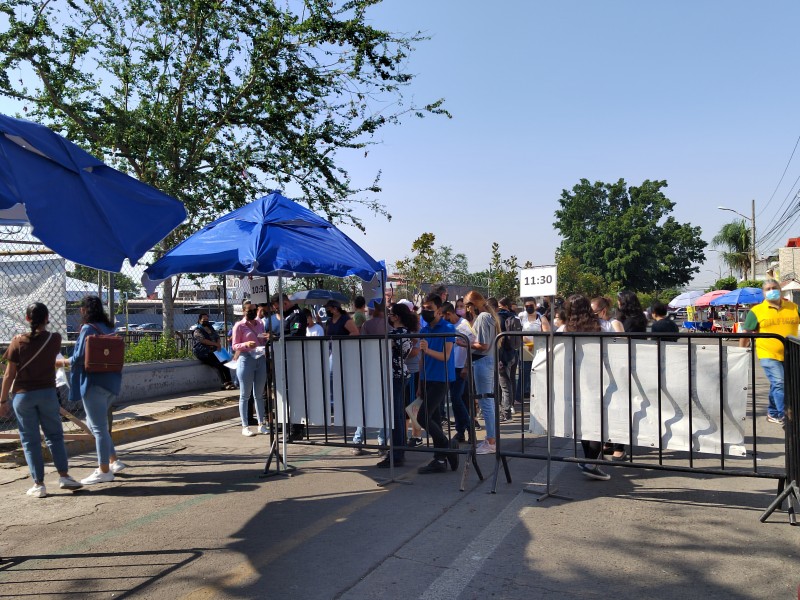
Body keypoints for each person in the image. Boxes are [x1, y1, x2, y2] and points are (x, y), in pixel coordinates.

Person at [0, 303, 83, 497]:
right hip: (47, 394)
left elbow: (9, 375)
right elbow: (48, 357)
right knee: (54, 436)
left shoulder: (17, 342)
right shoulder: (54, 339)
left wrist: (2, 401)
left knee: (30, 441)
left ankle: (39, 485)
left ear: (27, 319)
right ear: (47, 318)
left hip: (23, 396)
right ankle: (64, 476)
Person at [70, 295, 127, 485]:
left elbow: (78, 357)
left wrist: (60, 361)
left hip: (93, 383)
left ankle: (103, 471)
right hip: (112, 382)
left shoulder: (87, 328)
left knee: (98, 429)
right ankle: (114, 461)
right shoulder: (110, 328)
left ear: (84, 310)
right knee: (100, 426)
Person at [562, 294, 611, 481]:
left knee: (583, 420)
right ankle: (591, 463)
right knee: (600, 421)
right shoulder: (603, 327)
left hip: (574, 380)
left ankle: (589, 461)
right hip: (599, 378)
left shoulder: (563, 329)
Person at [740, 279, 800, 425]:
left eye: (774, 287)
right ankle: (784, 415)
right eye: (768, 289)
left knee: (777, 384)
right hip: (768, 354)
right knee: (780, 382)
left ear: (780, 289)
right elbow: (746, 333)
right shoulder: (756, 311)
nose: (772, 290)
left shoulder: (794, 307)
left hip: (791, 354)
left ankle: (772, 412)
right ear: (763, 293)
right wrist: (740, 353)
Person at [416, 294, 458, 474]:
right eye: (423, 308)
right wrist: (419, 382)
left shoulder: (448, 328)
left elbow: (446, 356)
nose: (425, 311)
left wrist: (428, 349)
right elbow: (421, 359)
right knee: (432, 419)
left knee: (423, 417)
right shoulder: (424, 330)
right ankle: (440, 458)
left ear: (439, 311)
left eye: (429, 308)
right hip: (426, 378)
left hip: (442, 379)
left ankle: (447, 447)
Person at [376, 304, 417, 468]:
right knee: (398, 415)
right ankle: (398, 451)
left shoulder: (396, 334)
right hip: (400, 374)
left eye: (391, 314)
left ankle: (397, 453)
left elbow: (400, 352)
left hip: (395, 375)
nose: (389, 317)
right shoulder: (405, 333)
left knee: (396, 416)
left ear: (397, 317)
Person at [464, 290, 499, 455]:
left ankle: (491, 441)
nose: (467, 310)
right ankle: (491, 439)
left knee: (486, 402)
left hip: (483, 361)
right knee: (487, 401)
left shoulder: (484, 317)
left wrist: (463, 343)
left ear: (473, 304)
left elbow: (483, 345)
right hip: (485, 361)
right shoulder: (486, 317)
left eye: (467, 306)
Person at [352, 300, 387, 454]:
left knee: (364, 406)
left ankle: (357, 440)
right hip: (383, 368)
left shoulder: (367, 325)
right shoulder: (388, 326)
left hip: (367, 368)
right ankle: (382, 442)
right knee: (384, 407)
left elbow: (362, 343)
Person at [232, 303, 269, 437]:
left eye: (255, 310)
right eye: (250, 310)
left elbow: (263, 340)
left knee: (259, 394)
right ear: (244, 311)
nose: (253, 312)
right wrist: (246, 344)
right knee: (245, 395)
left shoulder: (260, 323)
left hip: (260, 358)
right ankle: (245, 426)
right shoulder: (239, 326)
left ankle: (261, 424)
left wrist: (266, 339)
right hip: (246, 359)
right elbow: (235, 346)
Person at [441, 302, 475, 443]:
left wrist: (466, 366)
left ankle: (469, 427)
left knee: (456, 398)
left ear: (448, 314)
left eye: (443, 316)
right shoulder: (448, 326)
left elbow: (472, 344)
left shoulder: (463, 325)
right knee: (455, 401)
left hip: (461, 367)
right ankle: (460, 431)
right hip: (451, 366)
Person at [518, 297, 551, 404]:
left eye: (531, 306)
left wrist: (535, 341)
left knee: (538, 373)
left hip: (538, 349)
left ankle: (538, 397)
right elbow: (517, 331)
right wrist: (525, 340)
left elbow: (547, 332)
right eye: (527, 306)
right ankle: (519, 397)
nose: (529, 308)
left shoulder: (541, 318)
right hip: (525, 349)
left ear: (535, 305)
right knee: (524, 373)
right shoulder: (521, 317)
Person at [192, 313, 235, 390]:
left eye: (207, 319)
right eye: (203, 320)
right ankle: (224, 383)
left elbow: (217, 336)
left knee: (225, 363)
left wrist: (218, 343)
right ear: (199, 320)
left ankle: (230, 382)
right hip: (204, 352)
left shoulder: (210, 328)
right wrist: (215, 344)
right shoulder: (197, 330)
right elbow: (203, 341)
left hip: (213, 351)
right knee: (218, 365)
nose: (205, 321)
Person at [497, 296, 520, 421]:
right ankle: (509, 408)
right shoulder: (514, 316)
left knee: (504, 385)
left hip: (503, 356)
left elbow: (500, 340)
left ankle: (506, 412)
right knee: (510, 382)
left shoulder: (499, 318)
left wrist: (499, 358)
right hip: (513, 353)